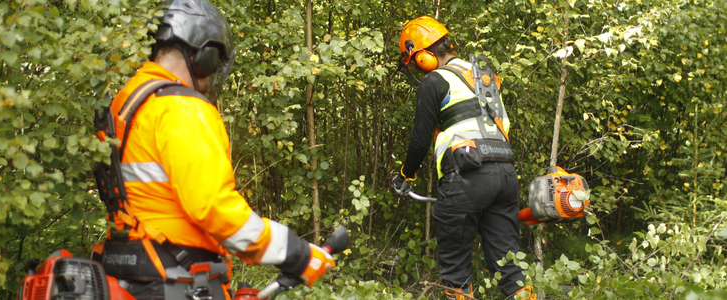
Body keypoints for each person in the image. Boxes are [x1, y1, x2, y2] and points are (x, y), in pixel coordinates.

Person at [93, 0, 334, 298]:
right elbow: (214, 207)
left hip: (124, 270)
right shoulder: (182, 108)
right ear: (204, 56)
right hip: (171, 277)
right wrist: (294, 252)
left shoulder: (126, 104)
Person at [390, 16, 535, 300]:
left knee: (455, 266)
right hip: (505, 175)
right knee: (510, 266)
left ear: (422, 57)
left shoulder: (435, 80)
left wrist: (405, 175)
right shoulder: (484, 76)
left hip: (466, 177)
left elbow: (420, 140)